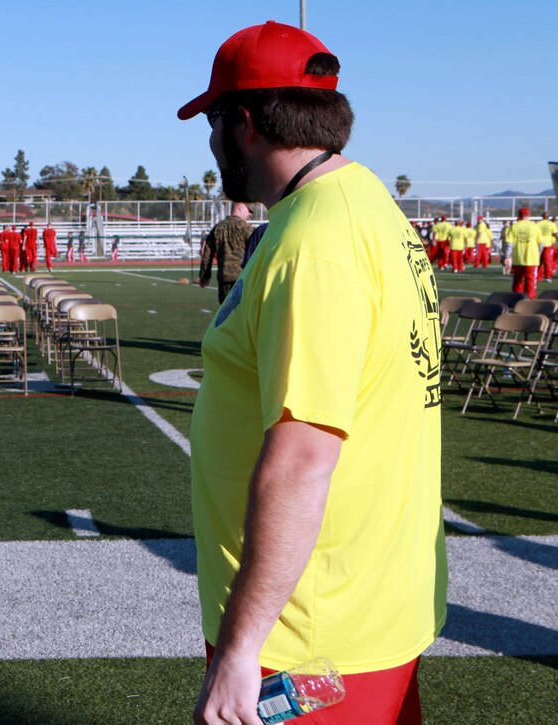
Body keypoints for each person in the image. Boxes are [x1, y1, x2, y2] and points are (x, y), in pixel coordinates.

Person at [177, 21, 445, 725]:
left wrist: (241, 646)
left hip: (311, 633)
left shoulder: (313, 243)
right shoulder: (370, 206)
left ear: (242, 124)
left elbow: (301, 461)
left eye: (212, 121)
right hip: (367, 602)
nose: (209, 143)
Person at [199, 202, 251, 303]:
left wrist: (204, 276)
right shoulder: (246, 228)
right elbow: (255, 249)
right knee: (243, 311)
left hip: (224, 277)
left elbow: (207, 253)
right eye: (248, 211)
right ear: (240, 208)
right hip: (242, 277)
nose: (249, 215)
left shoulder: (218, 227)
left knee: (225, 312)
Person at [508, 207, 541, 298]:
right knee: (530, 281)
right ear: (529, 215)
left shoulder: (514, 226)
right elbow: (540, 243)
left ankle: (517, 299)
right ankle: (530, 301)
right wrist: (539, 253)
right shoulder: (535, 226)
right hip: (532, 258)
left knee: (517, 280)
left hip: (518, 258)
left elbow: (509, 244)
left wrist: (507, 256)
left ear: (519, 215)